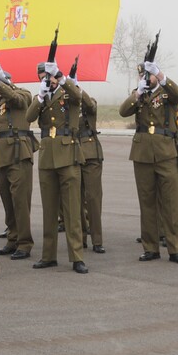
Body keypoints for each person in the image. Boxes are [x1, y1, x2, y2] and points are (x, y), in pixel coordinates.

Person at [118, 60, 178, 264]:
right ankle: (150, 247)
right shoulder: (139, 94)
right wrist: (138, 93)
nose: (144, 79)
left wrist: (161, 75)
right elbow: (123, 111)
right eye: (142, 76)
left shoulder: (166, 92)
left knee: (171, 203)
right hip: (142, 153)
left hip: (166, 152)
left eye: (147, 75)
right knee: (146, 202)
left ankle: (176, 249)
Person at [24, 62, 89, 274]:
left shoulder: (67, 90)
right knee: (49, 210)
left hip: (68, 154)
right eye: (43, 77)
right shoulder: (41, 96)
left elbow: (79, 98)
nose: (47, 80)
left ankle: (77, 256)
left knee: (72, 210)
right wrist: (41, 97)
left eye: (49, 76)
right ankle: (48, 255)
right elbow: (28, 118)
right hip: (47, 157)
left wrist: (61, 76)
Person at [0, 69, 36, 261]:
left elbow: (18, 101)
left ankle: (24, 242)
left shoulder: (22, 94)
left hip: (17, 153)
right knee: (7, 200)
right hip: (0, 155)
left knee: (20, 201)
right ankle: (13, 238)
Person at [76, 78, 105, 254]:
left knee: (93, 198)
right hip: (72, 153)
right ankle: (81, 237)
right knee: (76, 200)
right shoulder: (67, 105)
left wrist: (78, 89)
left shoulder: (88, 101)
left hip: (91, 154)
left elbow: (90, 105)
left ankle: (97, 239)